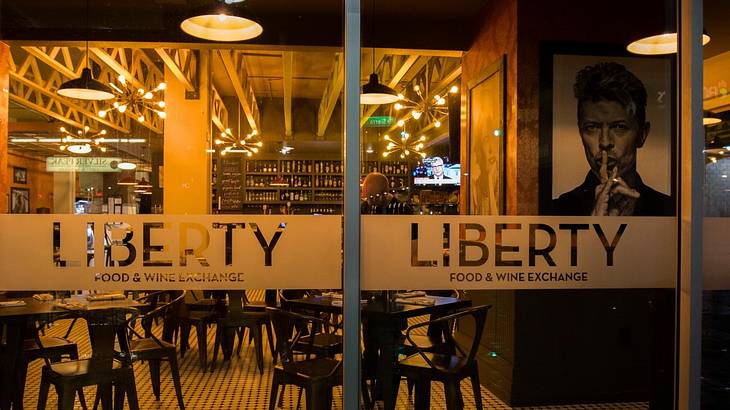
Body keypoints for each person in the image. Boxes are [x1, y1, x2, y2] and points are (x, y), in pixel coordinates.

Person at [551, 62, 674, 216]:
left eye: (619, 127)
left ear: (642, 134)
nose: (604, 142)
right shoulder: (557, 212)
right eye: (592, 127)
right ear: (580, 132)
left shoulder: (670, 212)